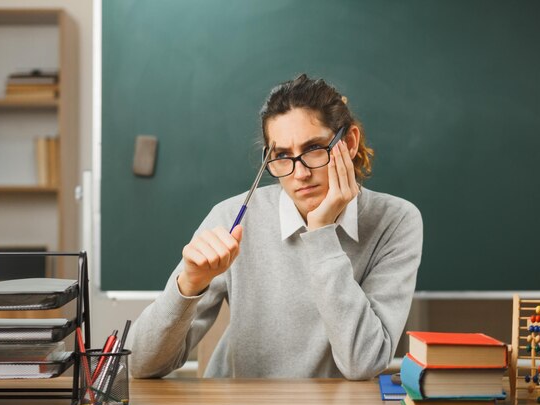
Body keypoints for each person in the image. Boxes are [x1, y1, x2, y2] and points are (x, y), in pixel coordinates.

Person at [130, 74, 423, 379]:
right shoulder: (233, 217)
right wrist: (188, 285)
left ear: (348, 143)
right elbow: (140, 365)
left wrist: (321, 232)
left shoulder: (396, 220)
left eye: (313, 149)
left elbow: (364, 362)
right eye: (282, 155)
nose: (300, 174)